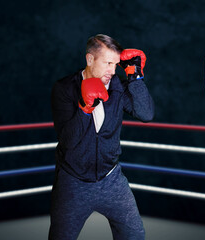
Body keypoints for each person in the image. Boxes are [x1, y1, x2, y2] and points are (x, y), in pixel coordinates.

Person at [49, 34, 154, 240]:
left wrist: (135, 76)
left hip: (111, 180)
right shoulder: (64, 89)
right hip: (74, 182)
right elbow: (68, 141)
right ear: (90, 59)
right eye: (107, 63)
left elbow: (146, 114)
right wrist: (84, 108)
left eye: (116, 64)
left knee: (134, 236)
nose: (112, 71)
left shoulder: (116, 86)